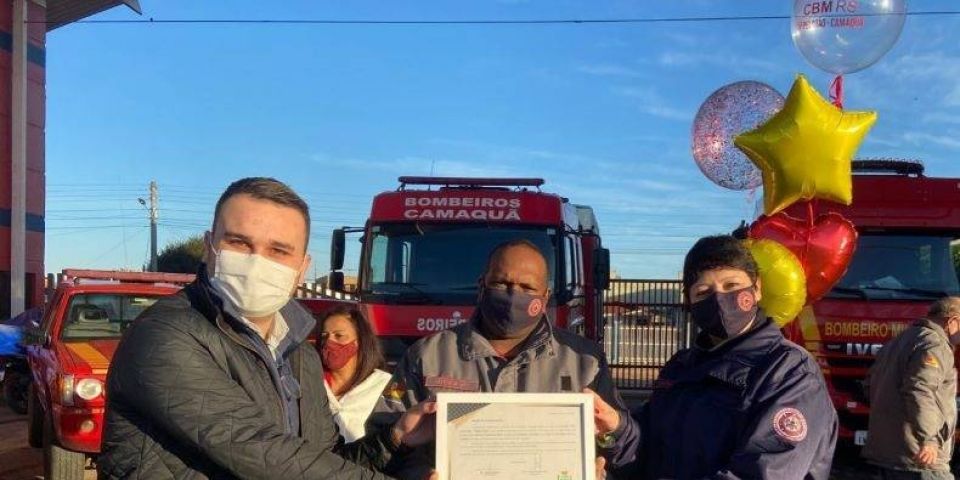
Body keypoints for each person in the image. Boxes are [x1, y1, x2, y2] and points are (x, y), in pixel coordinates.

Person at [99, 177, 433, 479]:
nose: (257, 261)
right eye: (239, 243)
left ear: (302, 268)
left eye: (278, 250)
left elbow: (321, 462)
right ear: (209, 247)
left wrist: (395, 438)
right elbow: (264, 453)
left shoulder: (300, 353)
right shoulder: (165, 336)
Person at [369, 239, 638, 479]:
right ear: (481, 286)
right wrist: (418, 475)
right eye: (502, 283)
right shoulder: (426, 356)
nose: (513, 295)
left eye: (527, 287)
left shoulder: (585, 362)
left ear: (544, 297)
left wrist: (605, 453)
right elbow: (380, 440)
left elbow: (624, 455)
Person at [617, 235, 838, 479]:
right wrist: (615, 429)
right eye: (703, 292)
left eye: (731, 286)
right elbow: (647, 445)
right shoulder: (681, 366)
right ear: (689, 301)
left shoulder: (789, 371)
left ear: (757, 288)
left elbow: (762, 472)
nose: (719, 300)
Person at [862, 297, 960, 480]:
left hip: (886, 456)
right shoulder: (935, 344)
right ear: (952, 323)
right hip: (920, 460)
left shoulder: (897, 342)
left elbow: (869, 387)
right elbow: (920, 390)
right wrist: (929, 439)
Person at [320, 306, 393, 443]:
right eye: (325, 336)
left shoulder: (386, 384)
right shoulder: (309, 382)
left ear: (360, 341)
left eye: (339, 336)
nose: (329, 342)